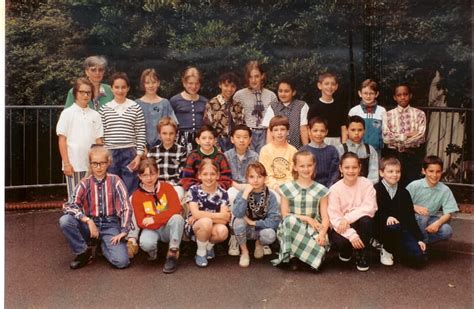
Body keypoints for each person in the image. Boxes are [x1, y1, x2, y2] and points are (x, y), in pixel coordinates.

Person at [58, 145, 132, 269]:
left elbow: (126, 206)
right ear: (90, 164)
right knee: (65, 220)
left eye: (102, 163)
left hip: (110, 224)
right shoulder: (85, 182)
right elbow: (69, 205)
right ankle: (83, 252)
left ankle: (102, 245)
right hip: (90, 225)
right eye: (95, 163)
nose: (98, 167)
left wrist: (124, 231)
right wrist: (87, 220)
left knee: (122, 262)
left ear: (108, 163)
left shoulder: (116, 181)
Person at [272, 150, 330, 271]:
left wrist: (322, 234)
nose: (306, 169)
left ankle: (306, 256)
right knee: (289, 221)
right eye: (302, 166)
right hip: (291, 227)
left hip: (313, 228)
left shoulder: (321, 190)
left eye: (309, 165)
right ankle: (305, 257)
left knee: (319, 240)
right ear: (295, 167)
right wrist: (307, 218)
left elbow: (325, 217)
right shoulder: (286, 188)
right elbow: (284, 214)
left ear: (314, 166)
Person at [130, 158, 184, 273]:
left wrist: (155, 219)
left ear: (158, 173)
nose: (149, 178)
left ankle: (173, 252)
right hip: (151, 230)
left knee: (177, 219)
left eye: (152, 174)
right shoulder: (137, 196)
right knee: (146, 243)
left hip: (167, 227)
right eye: (144, 175)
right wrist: (161, 219)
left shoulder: (167, 188)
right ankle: (155, 253)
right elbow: (141, 222)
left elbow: (176, 209)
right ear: (139, 177)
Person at [328, 152, 377, 271]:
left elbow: (370, 207)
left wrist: (347, 218)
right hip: (341, 226)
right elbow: (334, 217)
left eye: (354, 167)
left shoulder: (366, 184)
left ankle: (362, 252)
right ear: (340, 168)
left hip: (358, 223)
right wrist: (352, 235)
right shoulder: (335, 189)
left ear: (360, 168)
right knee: (342, 242)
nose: (351, 171)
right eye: (347, 167)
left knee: (367, 220)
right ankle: (347, 250)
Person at [374, 157, 427, 267]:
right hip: (381, 228)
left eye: (398, 171)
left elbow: (410, 218)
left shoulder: (404, 193)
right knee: (393, 226)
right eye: (390, 171)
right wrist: (386, 218)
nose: (394, 174)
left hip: (400, 229)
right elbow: (372, 212)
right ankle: (385, 249)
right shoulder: (375, 189)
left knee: (419, 259)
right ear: (381, 173)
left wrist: (419, 239)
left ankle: (399, 250)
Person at [57, 77, 103, 202]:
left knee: (92, 198)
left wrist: (98, 163)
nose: (85, 95)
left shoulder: (95, 115)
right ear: (75, 93)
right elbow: (62, 140)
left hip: (92, 165)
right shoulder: (67, 113)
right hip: (74, 165)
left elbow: (99, 141)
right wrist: (66, 163)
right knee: (75, 199)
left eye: (88, 92)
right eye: (82, 92)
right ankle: (73, 221)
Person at [99, 72, 146, 195]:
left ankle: (129, 213)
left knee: (130, 186)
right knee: (111, 186)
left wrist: (139, 155)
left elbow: (140, 131)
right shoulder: (105, 108)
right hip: (110, 153)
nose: (120, 90)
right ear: (111, 88)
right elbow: (100, 133)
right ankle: (113, 213)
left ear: (128, 88)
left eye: (123, 87)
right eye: (117, 87)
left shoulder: (135, 107)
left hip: (129, 152)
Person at [231, 162, 280, 267]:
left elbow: (275, 221)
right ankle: (244, 252)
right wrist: (245, 194)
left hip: (260, 229)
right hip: (245, 230)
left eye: (259, 176)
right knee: (238, 221)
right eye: (252, 177)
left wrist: (253, 222)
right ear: (247, 178)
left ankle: (259, 244)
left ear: (265, 178)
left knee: (270, 235)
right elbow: (237, 213)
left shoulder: (271, 195)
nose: (256, 180)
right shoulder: (243, 193)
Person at [184, 159, 231, 267]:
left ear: (218, 175)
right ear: (199, 175)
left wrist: (202, 215)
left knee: (223, 231)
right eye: (205, 174)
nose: (209, 178)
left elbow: (224, 220)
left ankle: (209, 246)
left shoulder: (223, 193)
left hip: (212, 225)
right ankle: (200, 252)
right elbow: (195, 214)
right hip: (195, 227)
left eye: (212, 174)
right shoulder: (194, 190)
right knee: (206, 222)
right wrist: (219, 216)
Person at [406, 156, 459, 245]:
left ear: (442, 172)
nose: (434, 175)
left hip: (430, 218)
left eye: (438, 172)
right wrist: (413, 206)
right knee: (423, 217)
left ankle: (415, 241)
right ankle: (422, 244)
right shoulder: (414, 185)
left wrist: (438, 223)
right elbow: (400, 203)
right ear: (424, 171)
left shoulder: (444, 190)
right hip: (412, 218)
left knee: (447, 230)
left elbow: (448, 214)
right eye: (431, 171)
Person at [383, 83, 426, 187]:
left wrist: (396, 137)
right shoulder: (388, 115)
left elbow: (420, 137)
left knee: (412, 185)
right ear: (394, 97)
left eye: (405, 94)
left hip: (412, 155)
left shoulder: (420, 114)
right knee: (393, 183)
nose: (402, 97)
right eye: (399, 95)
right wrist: (407, 135)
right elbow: (386, 138)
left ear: (410, 95)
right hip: (394, 154)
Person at [233, 61, 277, 153]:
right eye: (250, 77)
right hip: (247, 133)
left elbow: (274, 120)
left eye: (256, 76)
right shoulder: (239, 95)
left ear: (262, 76)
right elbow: (236, 119)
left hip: (265, 133)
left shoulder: (271, 95)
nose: (253, 80)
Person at [180, 125, 233, 191]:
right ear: (198, 140)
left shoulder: (220, 157)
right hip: (196, 190)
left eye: (210, 138)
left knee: (231, 193)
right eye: (204, 138)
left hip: (216, 189)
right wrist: (199, 188)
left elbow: (227, 178)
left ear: (215, 140)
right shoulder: (193, 156)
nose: (207, 141)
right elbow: (186, 178)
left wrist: (217, 187)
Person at [135, 68, 178, 149]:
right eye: (147, 83)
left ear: (158, 83)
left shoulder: (165, 103)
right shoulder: (136, 104)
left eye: (154, 82)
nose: (151, 85)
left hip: (162, 146)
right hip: (142, 147)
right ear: (143, 84)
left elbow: (173, 125)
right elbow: (133, 128)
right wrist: (141, 147)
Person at [147, 117, 188, 200]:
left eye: (171, 133)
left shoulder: (182, 151)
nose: (168, 136)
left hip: (175, 186)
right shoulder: (153, 151)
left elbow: (184, 173)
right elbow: (149, 171)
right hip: (157, 185)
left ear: (176, 134)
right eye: (164, 133)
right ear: (159, 135)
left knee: (174, 198)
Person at [262, 78, 309, 149]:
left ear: (293, 92)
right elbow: (269, 130)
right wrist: (269, 149)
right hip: (278, 149)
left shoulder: (301, 106)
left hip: (297, 149)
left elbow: (303, 129)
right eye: (280, 91)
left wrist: (306, 149)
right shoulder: (272, 107)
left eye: (286, 91)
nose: (283, 94)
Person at [170, 66, 207, 154]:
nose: (193, 86)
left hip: (200, 139)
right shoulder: (175, 100)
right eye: (190, 83)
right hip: (181, 139)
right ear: (184, 83)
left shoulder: (204, 101)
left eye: (196, 83)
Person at [204, 72, 244, 152]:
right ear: (220, 85)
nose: (229, 89)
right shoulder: (212, 104)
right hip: (217, 141)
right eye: (226, 85)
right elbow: (208, 127)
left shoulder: (238, 106)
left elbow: (241, 126)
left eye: (233, 86)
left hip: (234, 142)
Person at [306, 72, 347, 146]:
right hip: (319, 141)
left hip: (337, 142)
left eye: (333, 84)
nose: (330, 87)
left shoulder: (340, 106)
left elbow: (343, 128)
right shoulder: (314, 107)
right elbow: (309, 128)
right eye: (326, 84)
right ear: (319, 85)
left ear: (336, 86)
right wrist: (314, 145)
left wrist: (344, 146)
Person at [259, 115, 298, 191]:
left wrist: (285, 188)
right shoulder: (265, 150)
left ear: (288, 131)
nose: (279, 133)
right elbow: (266, 174)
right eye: (276, 130)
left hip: (289, 187)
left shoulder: (293, 151)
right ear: (271, 132)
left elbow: (293, 174)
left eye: (282, 129)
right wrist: (276, 187)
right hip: (270, 188)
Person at [348, 79, 386, 155]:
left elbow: (385, 130)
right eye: (365, 93)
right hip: (357, 149)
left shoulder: (382, 111)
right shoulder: (354, 111)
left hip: (376, 149)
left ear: (376, 94)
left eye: (371, 93)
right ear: (360, 93)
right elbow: (348, 131)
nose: (368, 96)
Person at [337, 115, 379, 184]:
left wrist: (365, 186)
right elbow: (337, 173)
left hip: (365, 187)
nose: (356, 133)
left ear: (364, 131)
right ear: (347, 131)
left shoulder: (370, 150)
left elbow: (373, 174)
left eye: (360, 130)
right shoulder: (340, 149)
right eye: (353, 130)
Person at [301, 117, 339, 188]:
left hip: (328, 188)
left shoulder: (332, 150)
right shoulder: (303, 151)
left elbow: (334, 173)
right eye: (315, 131)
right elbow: (301, 173)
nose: (319, 134)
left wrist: (328, 188)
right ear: (309, 131)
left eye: (322, 131)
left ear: (326, 132)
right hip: (308, 187)